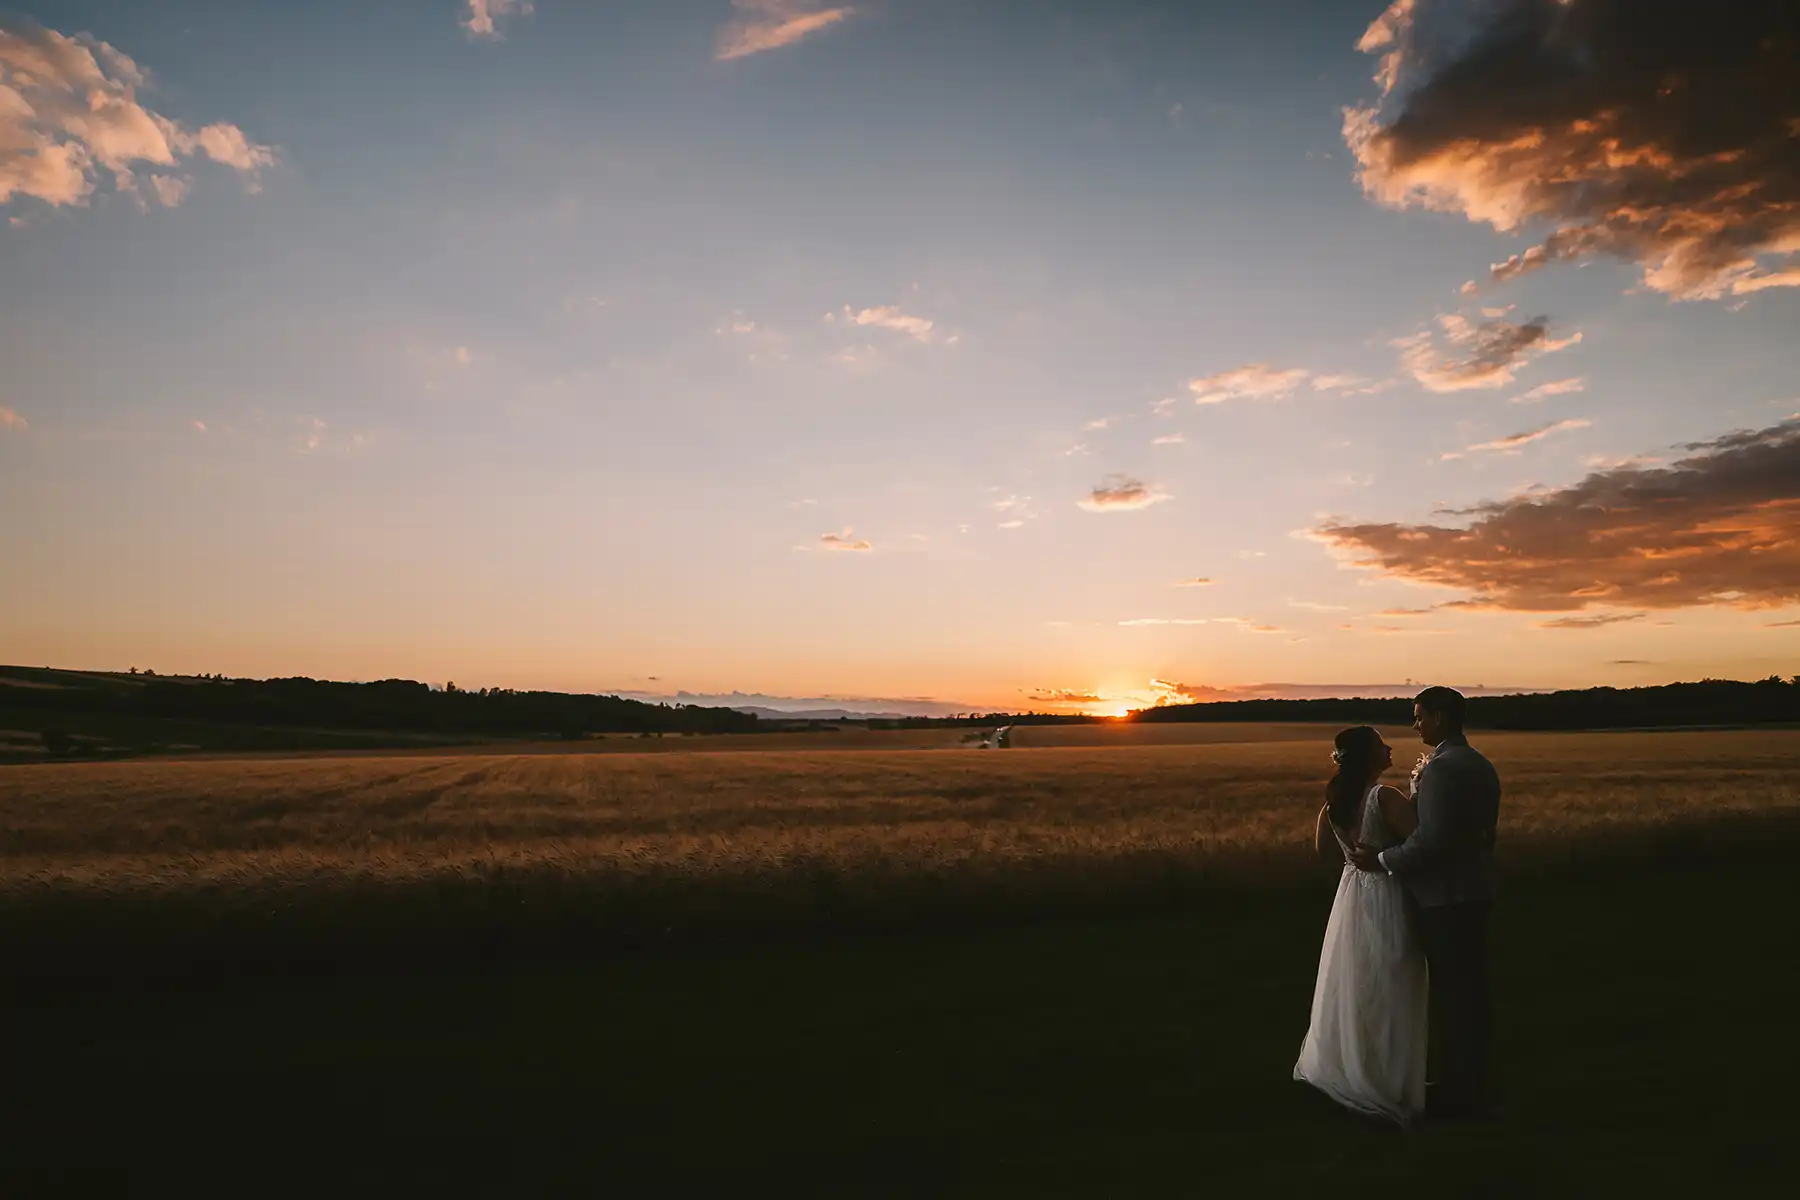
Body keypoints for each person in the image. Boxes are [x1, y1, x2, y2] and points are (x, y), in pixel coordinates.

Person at [1345, 686, 1501, 1121]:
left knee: (1456, 994)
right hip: (1474, 888)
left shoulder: (1442, 769)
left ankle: (1461, 1090)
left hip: (1446, 895)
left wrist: (1380, 860)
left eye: (1418, 716)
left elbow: (1431, 841)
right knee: (1468, 990)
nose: (1414, 725)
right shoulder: (1478, 763)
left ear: (1439, 717)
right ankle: (1469, 1081)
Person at [1293, 725, 1429, 1124]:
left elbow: (1323, 852)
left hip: (1351, 893)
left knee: (1355, 978)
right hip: (1387, 892)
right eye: (1380, 744)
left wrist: (1355, 858)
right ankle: (1388, 1078)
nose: (1388, 748)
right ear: (1369, 756)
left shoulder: (1333, 803)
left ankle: (1354, 1064)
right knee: (1393, 978)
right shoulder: (1383, 797)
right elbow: (1421, 842)